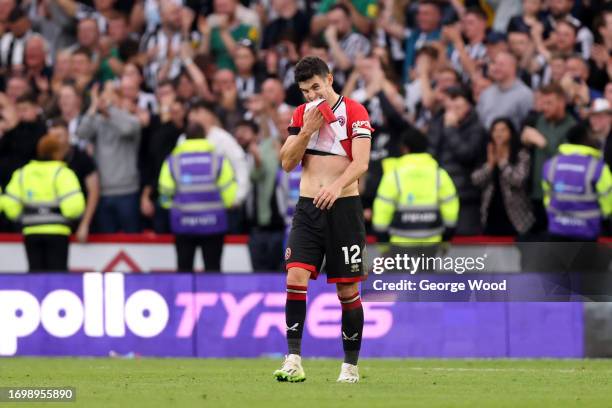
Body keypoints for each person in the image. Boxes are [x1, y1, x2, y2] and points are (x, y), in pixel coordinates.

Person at [273, 56, 372, 383]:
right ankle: (293, 360)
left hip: (343, 209)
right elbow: (287, 163)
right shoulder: (302, 115)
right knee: (295, 279)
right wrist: (306, 131)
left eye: (316, 87)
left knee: (347, 291)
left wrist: (335, 186)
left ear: (329, 79)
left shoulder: (355, 111)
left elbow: (360, 163)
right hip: (307, 209)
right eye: (305, 91)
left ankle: (350, 367)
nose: (312, 95)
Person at [158, 123, 237, 272]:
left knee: (184, 269)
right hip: (213, 224)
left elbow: (165, 191)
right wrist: (224, 206)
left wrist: (170, 206)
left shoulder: (173, 161)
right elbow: (229, 193)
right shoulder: (218, 160)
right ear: (205, 137)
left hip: (183, 223)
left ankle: (184, 295)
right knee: (213, 269)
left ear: (185, 138)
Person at [2, 134, 85, 271]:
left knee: (35, 274)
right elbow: (74, 207)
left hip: (31, 232)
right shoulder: (62, 173)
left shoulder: (23, 173)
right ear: (57, 152)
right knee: (57, 276)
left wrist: (21, 217)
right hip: (58, 232)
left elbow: (10, 205)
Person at [372, 129, 458, 244]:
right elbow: (451, 206)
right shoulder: (439, 174)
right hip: (432, 241)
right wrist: (447, 235)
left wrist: (382, 238)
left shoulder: (394, 175)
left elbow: (382, 208)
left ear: (405, 148)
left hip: (400, 242)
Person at [542, 124, 612, 241]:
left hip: (557, 231)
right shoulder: (598, 168)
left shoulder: (551, 165)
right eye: (593, 134)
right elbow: (609, 203)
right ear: (586, 138)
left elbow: (547, 198)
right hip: (586, 234)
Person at [471, 118, 535, 236]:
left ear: (511, 133)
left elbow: (519, 180)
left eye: (503, 130)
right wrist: (490, 166)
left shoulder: (521, 154)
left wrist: (502, 163)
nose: (498, 133)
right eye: (495, 130)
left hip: (516, 216)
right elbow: (475, 180)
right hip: (491, 213)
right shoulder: (487, 152)